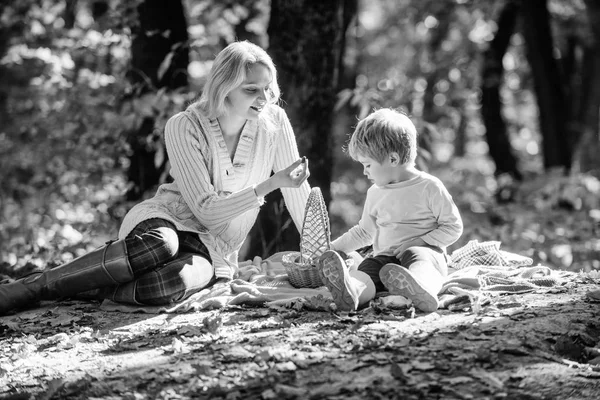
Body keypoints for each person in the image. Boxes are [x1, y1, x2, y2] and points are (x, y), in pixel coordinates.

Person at [0, 41, 311, 315]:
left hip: (215, 247)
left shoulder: (275, 122)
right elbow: (205, 210)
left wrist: (322, 250)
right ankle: (34, 287)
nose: (264, 98)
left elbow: (298, 190)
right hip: (168, 220)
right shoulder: (183, 125)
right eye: (251, 89)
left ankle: (96, 282)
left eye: (268, 88)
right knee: (159, 245)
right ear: (224, 87)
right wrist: (269, 184)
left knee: (168, 286)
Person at [318, 108, 463, 313]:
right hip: (387, 262)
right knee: (367, 268)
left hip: (426, 254)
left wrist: (420, 241)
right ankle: (353, 292)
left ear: (393, 160)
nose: (364, 171)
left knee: (418, 258)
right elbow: (364, 232)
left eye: (368, 165)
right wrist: (332, 248)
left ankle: (422, 289)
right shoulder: (375, 193)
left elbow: (453, 227)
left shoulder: (429, 187)